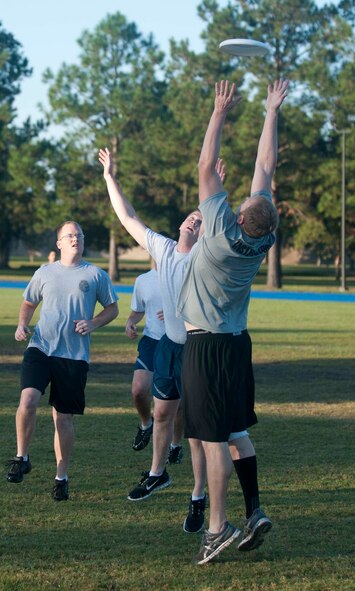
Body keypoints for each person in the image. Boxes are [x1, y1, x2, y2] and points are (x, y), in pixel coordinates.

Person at [177, 79, 289, 564]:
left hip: (207, 347)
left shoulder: (221, 231)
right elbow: (265, 167)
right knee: (237, 431)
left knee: (212, 437)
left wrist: (220, 111)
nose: (243, 199)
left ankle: (218, 527)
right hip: (237, 344)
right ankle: (256, 508)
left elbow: (205, 166)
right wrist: (270, 111)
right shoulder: (262, 237)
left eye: (242, 204)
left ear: (241, 219)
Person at [99, 147, 210, 533]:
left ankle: (198, 496)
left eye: (201, 221)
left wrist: (217, 199)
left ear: (205, 234)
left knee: (195, 428)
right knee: (162, 413)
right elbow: (127, 217)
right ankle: (158, 472)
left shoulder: (203, 260)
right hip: (168, 347)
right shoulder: (163, 250)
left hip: (198, 352)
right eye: (191, 217)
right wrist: (111, 178)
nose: (193, 221)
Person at [6, 220, 118, 501]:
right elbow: (29, 302)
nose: (75, 238)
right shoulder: (45, 272)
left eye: (79, 234)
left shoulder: (95, 275)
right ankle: (21, 457)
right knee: (27, 401)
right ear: (58, 243)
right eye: (69, 235)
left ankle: (61, 477)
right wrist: (22, 324)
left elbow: (112, 309)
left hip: (73, 356)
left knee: (62, 418)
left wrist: (93, 323)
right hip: (41, 348)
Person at [126, 259, 184, 463]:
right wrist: (131, 321)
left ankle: (175, 445)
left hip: (179, 341)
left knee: (178, 403)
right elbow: (139, 309)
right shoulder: (143, 280)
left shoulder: (182, 274)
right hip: (152, 341)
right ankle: (145, 424)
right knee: (139, 390)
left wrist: (177, 313)